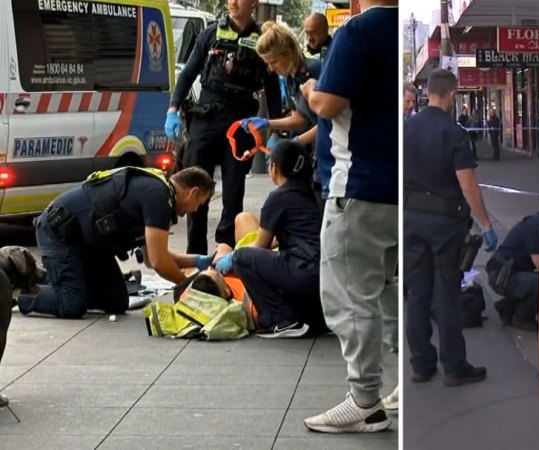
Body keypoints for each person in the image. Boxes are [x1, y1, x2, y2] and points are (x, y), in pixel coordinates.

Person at [301, 0, 398, 434]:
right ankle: (407, 382)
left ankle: (364, 399)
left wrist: (309, 91)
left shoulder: (360, 30)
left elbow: (327, 103)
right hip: (400, 188)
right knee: (388, 292)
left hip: (357, 185)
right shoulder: (409, 28)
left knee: (349, 294)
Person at [16, 167, 217, 319]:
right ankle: (16, 291)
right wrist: (189, 287)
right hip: (59, 233)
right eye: (199, 204)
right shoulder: (158, 196)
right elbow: (158, 262)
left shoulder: (158, 191)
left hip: (90, 245)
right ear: (193, 192)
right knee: (71, 303)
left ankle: (59, 281)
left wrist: (200, 261)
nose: (195, 210)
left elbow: (152, 257)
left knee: (116, 301)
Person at [164, 0, 281, 255]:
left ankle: (224, 256)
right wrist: (172, 109)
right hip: (205, 122)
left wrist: (276, 131)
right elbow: (188, 74)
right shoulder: (211, 33)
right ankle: (196, 259)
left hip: (239, 127)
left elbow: (272, 89)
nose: (232, 2)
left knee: (233, 196)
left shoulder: (262, 41)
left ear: (253, 3)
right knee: (194, 193)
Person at [403, 69, 497, 387]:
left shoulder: (406, 129)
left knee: (417, 293)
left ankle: (421, 364)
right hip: (445, 225)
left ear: (427, 92)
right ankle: (454, 366)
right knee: (446, 293)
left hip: (411, 220)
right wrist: (486, 224)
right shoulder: (454, 133)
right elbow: (468, 185)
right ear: (453, 95)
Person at [213, 139, 328, 338]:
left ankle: (280, 319)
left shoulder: (278, 198)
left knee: (243, 258)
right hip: (327, 274)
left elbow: (261, 246)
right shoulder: (315, 191)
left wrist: (232, 257)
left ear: (274, 167)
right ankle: (311, 318)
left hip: (306, 271)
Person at [241, 21, 325, 210]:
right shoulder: (289, 78)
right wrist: (268, 123)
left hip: (327, 149)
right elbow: (300, 118)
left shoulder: (314, 71)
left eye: (273, 62)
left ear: (287, 53)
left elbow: (327, 122)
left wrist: (296, 142)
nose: (271, 68)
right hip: (313, 151)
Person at [486, 190, 539, 331]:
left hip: (508, 272)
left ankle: (507, 308)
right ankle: (522, 318)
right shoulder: (535, 228)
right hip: (502, 275)